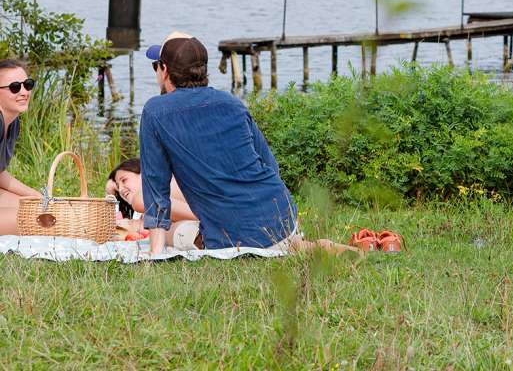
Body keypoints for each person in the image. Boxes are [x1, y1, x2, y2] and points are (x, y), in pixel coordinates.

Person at [139, 31, 353, 256]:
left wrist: (155, 253)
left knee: (176, 231)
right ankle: (301, 244)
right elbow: (270, 166)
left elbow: (156, 187)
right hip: (280, 213)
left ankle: (283, 244)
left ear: (165, 70)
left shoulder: (155, 111)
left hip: (231, 232)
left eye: (156, 65)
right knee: (281, 242)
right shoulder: (232, 103)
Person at [107, 157, 358, 253]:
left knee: (170, 232)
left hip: (222, 229)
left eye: (124, 180)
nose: (124, 190)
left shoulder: (147, 194)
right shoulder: (174, 174)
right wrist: (114, 186)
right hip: (265, 216)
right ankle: (346, 251)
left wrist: (146, 224)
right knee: (295, 247)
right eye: (120, 190)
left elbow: (195, 214)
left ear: (140, 170)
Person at [0, 59, 40, 235]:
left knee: (40, 208)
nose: (24, 92)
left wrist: (35, 195)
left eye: (27, 84)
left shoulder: (13, 122)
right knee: (39, 220)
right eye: (15, 87)